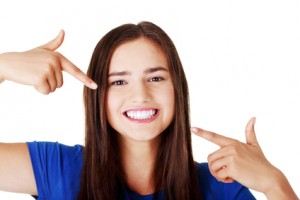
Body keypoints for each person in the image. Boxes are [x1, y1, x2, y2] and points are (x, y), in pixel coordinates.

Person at [0, 21, 298, 200]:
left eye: (155, 78)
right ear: (98, 97)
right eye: (119, 81)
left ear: (177, 89)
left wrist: (275, 184)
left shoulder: (222, 188)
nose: (140, 95)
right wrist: (2, 66)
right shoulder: (57, 168)